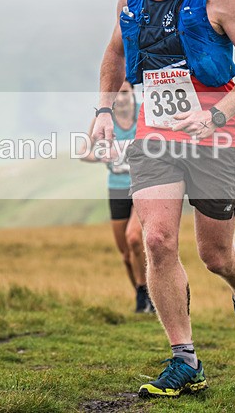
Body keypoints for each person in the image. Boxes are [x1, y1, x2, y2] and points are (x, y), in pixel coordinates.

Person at [92, 0, 235, 398]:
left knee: (216, 255)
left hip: (214, 135)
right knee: (156, 240)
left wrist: (215, 114)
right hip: (154, 137)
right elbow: (114, 54)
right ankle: (185, 359)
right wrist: (105, 113)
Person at [78, 81, 153, 314]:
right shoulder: (104, 119)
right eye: (116, 94)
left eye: (124, 93)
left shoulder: (144, 113)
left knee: (134, 239)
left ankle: (149, 294)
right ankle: (141, 296)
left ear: (132, 93)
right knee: (126, 254)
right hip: (117, 188)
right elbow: (82, 152)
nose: (120, 98)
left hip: (142, 184)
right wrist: (103, 156)